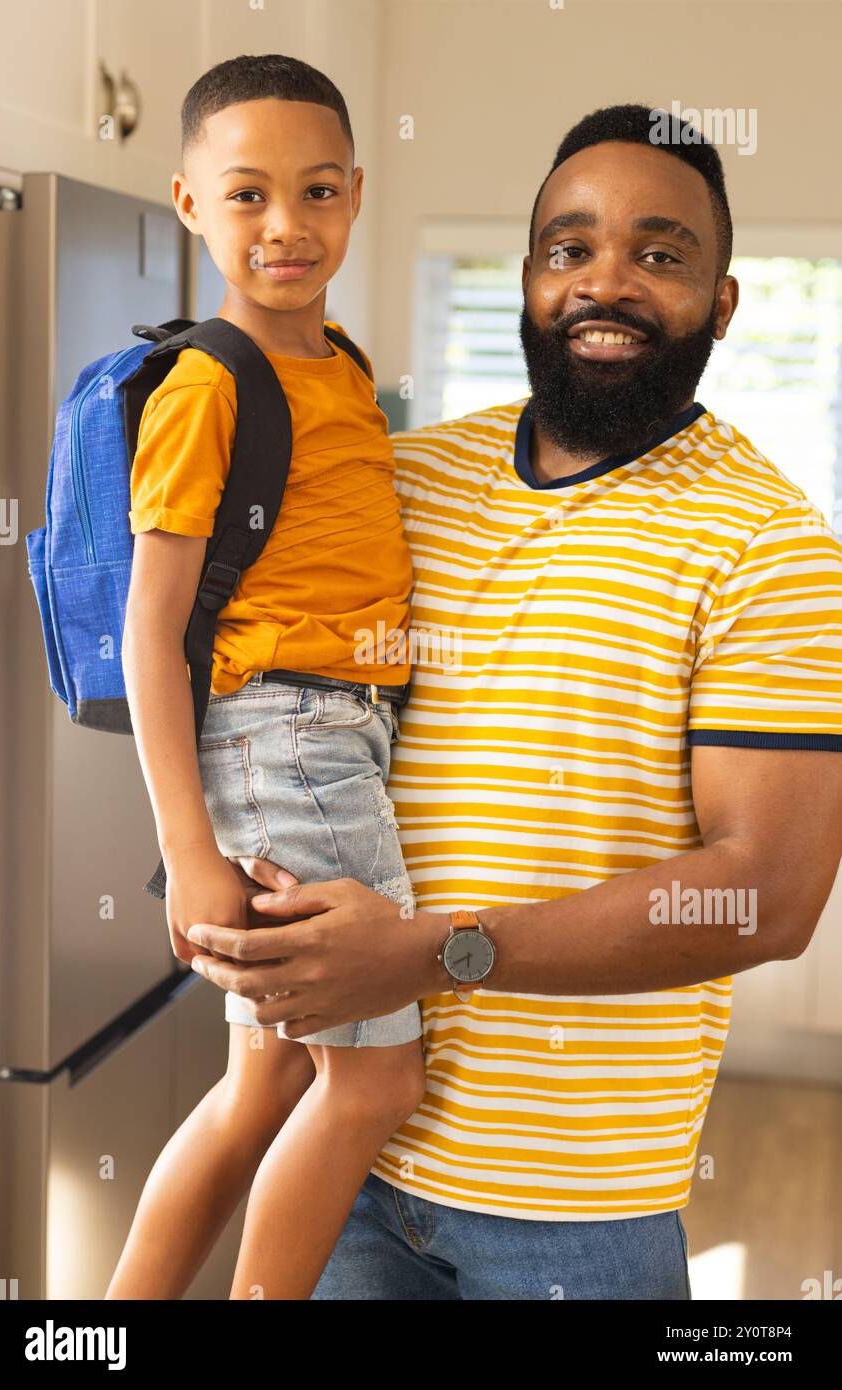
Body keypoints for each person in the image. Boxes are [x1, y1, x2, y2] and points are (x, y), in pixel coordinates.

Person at [184, 104, 842, 1300]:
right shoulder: (403, 476)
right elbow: (242, 660)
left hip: (573, 1213)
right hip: (345, 1157)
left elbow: (770, 894)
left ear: (725, 303)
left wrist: (432, 953)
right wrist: (197, 847)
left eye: (660, 252)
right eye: (569, 247)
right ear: (527, 279)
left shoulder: (773, 546)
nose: (607, 281)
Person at [105, 54, 426, 1302]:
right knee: (376, 1080)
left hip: (331, 731)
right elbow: (153, 626)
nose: (286, 226)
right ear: (190, 204)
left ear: (354, 193)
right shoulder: (206, 385)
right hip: (288, 735)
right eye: (246, 196)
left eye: (316, 192)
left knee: (270, 1077)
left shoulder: (340, 363)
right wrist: (187, 847)